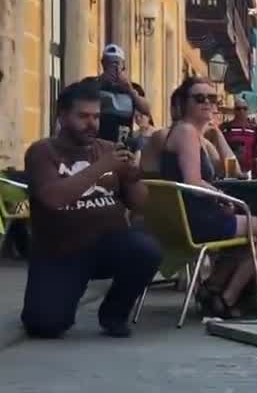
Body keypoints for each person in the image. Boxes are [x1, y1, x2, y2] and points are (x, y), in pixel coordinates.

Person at [20, 81, 162, 338]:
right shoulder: (43, 151)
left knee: (147, 249)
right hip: (61, 252)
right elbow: (53, 198)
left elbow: (141, 204)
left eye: (96, 117)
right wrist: (101, 167)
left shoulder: (109, 149)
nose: (92, 124)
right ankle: (64, 295)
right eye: (83, 116)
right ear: (62, 116)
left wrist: (132, 177)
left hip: (108, 245)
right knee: (44, 325)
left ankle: (114, 313)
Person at [162, 77, 257, 317]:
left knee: (249, 231)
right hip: (198, 220)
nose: (207, 103)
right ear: (184, 103)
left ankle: (212, 288)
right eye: (199, 98)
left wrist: (216, 132)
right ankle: (228, 298)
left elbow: (230, 168)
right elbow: (193, 182)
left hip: (188, 217)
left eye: (212, 98)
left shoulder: (194, 133)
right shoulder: (186, 132)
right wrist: (224, 199)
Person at [90, 44, 151, 145]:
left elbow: (146, 110)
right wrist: (100, 82)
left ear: (123, 65)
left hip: (123, 141)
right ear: (103, 64)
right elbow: (81, 99)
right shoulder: (92, 83)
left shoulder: (132, 87)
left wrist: (130, 90)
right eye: (109, 63)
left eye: (117, 63)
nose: (114, 67)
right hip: (97, 142)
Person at [222, 98, 257, 174]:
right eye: (238, 109)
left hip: (250, 171)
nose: (241, 111)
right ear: (234, 111)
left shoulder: (254, 129)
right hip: (232, 170)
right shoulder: (225, 127)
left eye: (244, 108)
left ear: (248, 110)